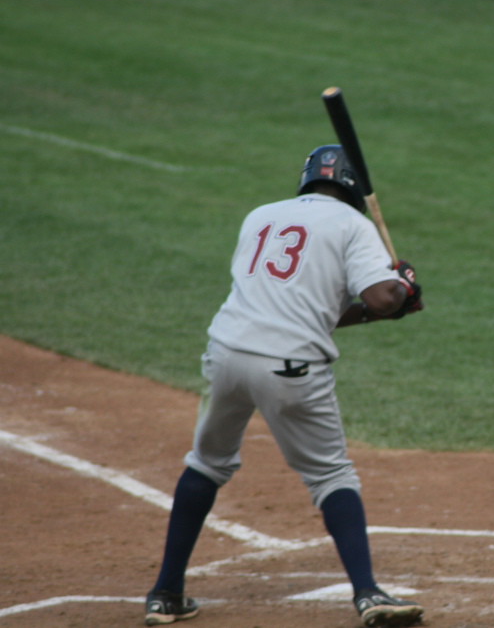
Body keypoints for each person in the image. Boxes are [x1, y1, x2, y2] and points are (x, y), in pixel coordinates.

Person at [144, 145, 426, 628]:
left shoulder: (261, 216)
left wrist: (395, 302)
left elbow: (314, 308)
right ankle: (368, 594)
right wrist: (403, 286)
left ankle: (165, 593)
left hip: (227, 353)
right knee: (331, 476)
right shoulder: (354, 226)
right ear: (355, 188)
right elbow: (380, 297)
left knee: (207, 464)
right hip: (290, 367)